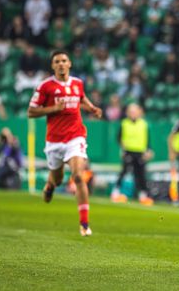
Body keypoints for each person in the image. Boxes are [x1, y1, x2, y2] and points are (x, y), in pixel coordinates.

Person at [27, 50, 103, 237]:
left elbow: (81, 98)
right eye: (57, 61)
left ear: (69, 64)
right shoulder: (45, 87)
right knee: (59, 179)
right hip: (54, 141)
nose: (61, 64)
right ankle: (50, 186)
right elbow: (31, 111)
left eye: (64, 60)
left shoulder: (77, 83)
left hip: (75, 137)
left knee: (78, 176)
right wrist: (54, 108)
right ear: (52, 66)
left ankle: (84, 224)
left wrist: (91, 107)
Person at [111, 103, 154, 206]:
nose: (133, 114)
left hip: (140, 152)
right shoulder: (124, 123)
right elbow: (118, 138)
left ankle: (143, 195)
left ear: (139, 112)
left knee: (141, 174)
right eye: (131, 112)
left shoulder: (144, 124)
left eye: (135, 111)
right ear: (127, 113)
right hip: (128, 151)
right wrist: (122, 148)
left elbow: (147, 139)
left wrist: (149, 150)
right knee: (124, 172)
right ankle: (116, 192)